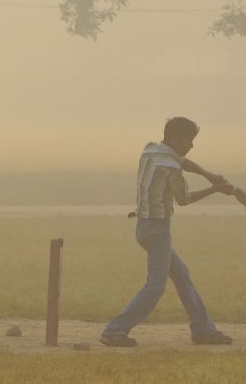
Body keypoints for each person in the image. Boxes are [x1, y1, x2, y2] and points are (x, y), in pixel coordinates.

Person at [100, 117, 236, 347]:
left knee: (182, 275)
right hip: (157, 231)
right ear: (174, 138)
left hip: (144, 227)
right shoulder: (171, 167)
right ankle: (115, 330)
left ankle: (203, 330)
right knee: (155, 286)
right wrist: (215, 189)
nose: (191, 145)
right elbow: (184, 199)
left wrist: (208, 174)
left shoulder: (151, 149)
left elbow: (181, 160)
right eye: (188, 140)